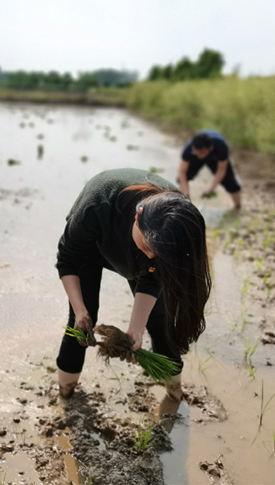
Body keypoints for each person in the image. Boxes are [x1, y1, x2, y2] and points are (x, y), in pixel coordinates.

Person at [55, 168, 211, 402]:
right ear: (137, 217)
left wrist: (135, 329)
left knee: (159, 322)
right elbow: (68, 260)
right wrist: (79, 310)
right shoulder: (97, 205)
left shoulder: (176, 225)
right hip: (92, 249)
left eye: (154, 252)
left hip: (142, 252)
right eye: (148, 247)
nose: (150, 256)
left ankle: (175, 393)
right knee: (82, 325)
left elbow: (153, 277)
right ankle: (65, 394)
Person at [177, 130, 242, 208]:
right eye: (197, 152)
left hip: (214, 157)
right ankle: (181, 205)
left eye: (202, 152)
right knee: (182, 180)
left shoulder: (221, 147)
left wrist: (211, 189)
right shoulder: (189, 150)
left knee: (230, 182)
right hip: (196, 156)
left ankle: (237, 207)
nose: (200, 155)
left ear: (210, 148)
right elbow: (182, 172)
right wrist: (186, 192)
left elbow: (221, 170)